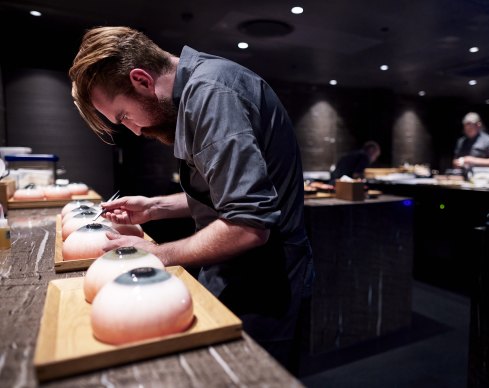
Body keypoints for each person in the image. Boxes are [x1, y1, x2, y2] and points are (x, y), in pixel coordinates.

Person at [68, 26, 313, 372]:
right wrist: (154, 207)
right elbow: (227, 195)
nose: (136, 130)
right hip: (237, 271)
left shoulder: (211, 95)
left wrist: (157, 254)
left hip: (268, 280)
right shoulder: (197, 91)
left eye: (125, 116)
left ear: (141, 80)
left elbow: (248, 225)